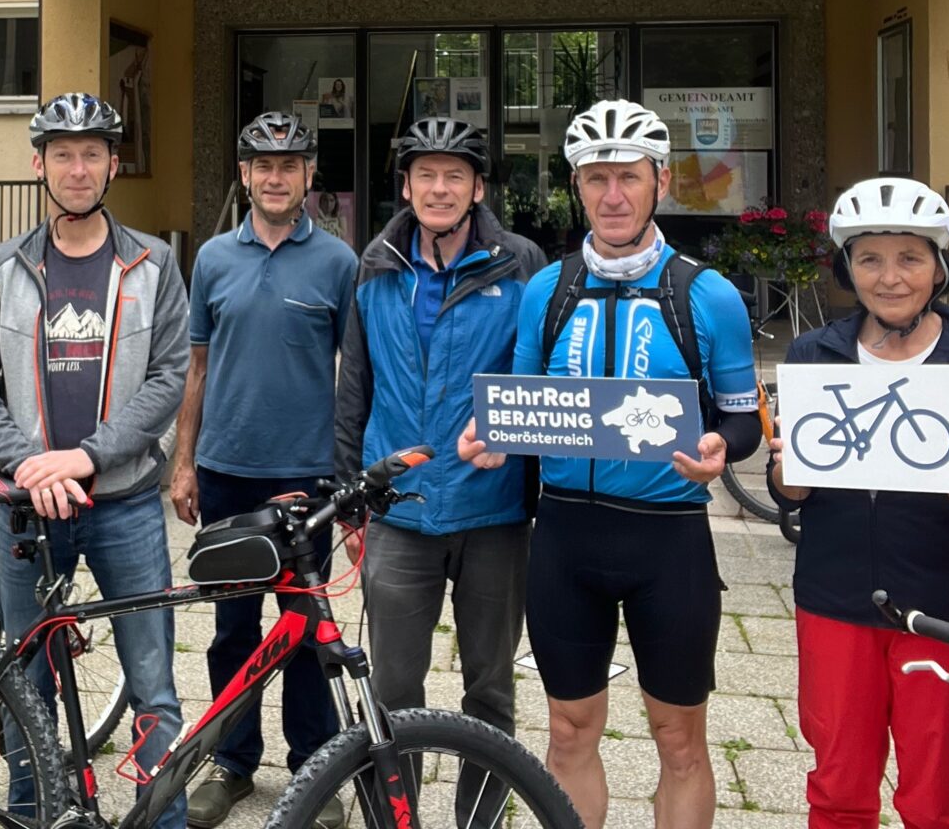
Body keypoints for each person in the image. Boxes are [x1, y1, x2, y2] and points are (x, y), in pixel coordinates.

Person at [461, 98, 761, 829]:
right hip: (566, 537)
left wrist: (724, 447)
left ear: (660, 179)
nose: (613, 196)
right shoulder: (549, 289)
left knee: (679, 739)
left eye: (628, 177)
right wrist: (497, 436)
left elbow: (744, 420)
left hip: (670, 542)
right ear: (576, 186)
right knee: (567, 730)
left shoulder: (706, 294)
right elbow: (524, 401)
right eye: (595, 180)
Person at [0, 91, 190, 829]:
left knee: (152, 686)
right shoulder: (2, 267)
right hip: (31, 510)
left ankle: (164, 820)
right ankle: (32, 816)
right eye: (63, 155)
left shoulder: (154, 264)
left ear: (115, 164)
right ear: (39, 164)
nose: (78, 168)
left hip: (123, 505)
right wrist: (29, 465)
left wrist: (83, 459)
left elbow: (168, 378)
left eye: (92, 154)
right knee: (29, 685)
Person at [768, 178, 949, 829]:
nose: (891, 277)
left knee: (941, 800)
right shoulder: (814, 355)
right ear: (848, 268)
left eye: (910, 258)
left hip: (947, 606)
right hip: (835, 597)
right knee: (839, 788)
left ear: (940, 267)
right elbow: (790, 493)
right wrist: (788, 472)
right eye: (870, 258)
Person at [170, 111, 357, 829]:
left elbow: (354, 375)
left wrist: (348, 470)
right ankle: (233, 763)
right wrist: (182, 464)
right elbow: (196, 367)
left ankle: (316, 765)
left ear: (310, 175)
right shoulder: (215, 257)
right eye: (262, 165)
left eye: (290, 165)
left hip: (306, 478)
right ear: (244, 175)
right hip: (226, 471)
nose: (275, 177)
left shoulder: (339, 262)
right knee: (232, 630)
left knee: (308, 630)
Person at [334, 117, 545, 752]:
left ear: (479, 188)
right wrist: (350, 497)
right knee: (393, 695)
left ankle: (478, 819)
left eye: (456, 175)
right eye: (426, 174)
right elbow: (354, 388)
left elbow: (541, 376)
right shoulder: (376, 263)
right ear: (406, 186)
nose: (440, 188)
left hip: (494, 512)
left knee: (490, 692)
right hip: (399, 511)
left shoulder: (521, 263)